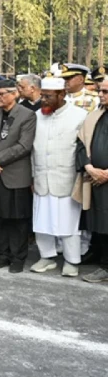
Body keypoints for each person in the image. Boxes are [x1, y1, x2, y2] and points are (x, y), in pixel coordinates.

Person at [31, 77, 87, 277]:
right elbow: (32, 150)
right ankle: (47, 257)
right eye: (42, 96)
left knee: (68, 224)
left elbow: (83, 149)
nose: (43, 100)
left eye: (48, 96)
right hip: (41, 178)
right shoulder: (37, 116)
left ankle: (72, 261)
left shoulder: (79, 116)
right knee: (41, 222)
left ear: (62, 94)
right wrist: (32, 176)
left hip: (66, 179)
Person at [0, 80, 36, 273]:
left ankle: (18, 258)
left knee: (17, 219)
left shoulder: (27, 115)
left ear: (14, 94)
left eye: (2, 93)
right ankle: (3, 255)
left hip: (15, 174)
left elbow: (24, 145)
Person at [75, 77, 108, 283]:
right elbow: (80, 144)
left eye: (105, 92)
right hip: (94, 178)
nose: (101, 95)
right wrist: (89, 167)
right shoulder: (95, 116)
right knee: (97, 221)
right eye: (100, 91)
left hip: (104, 178)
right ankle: (98, 256)